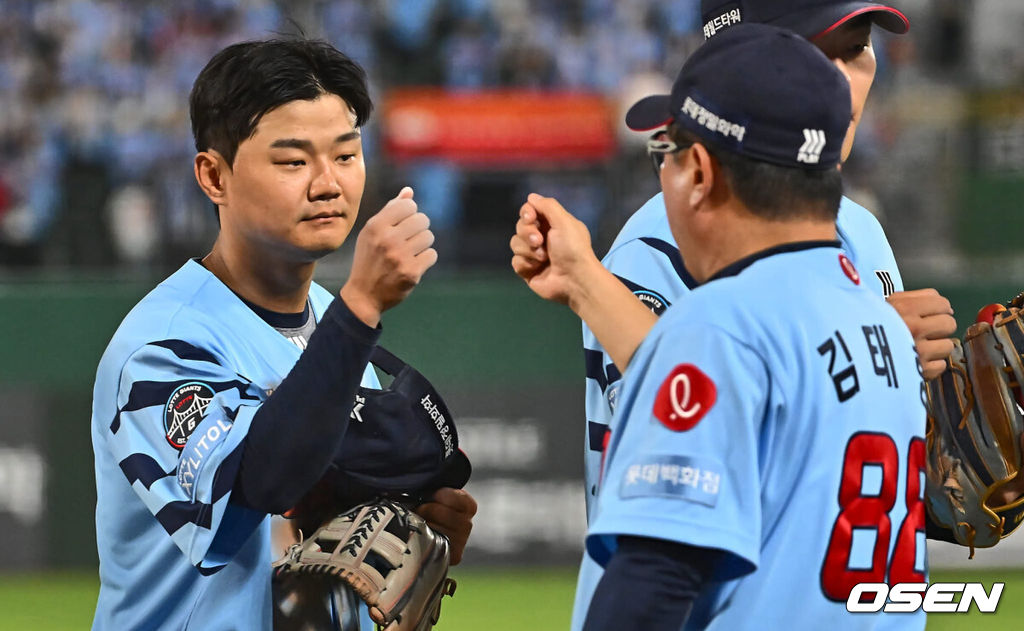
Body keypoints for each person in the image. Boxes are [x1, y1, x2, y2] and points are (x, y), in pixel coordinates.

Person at [510, 2, 967, 628]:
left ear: (697, 168)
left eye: (856, 49)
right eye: (816, 53)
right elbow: (696, 424)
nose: (841, 79)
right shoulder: (657, 247)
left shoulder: (858, 235)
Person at [90, 38, 476, 631]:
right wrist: (362, 305)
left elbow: (323, 526)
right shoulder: (162, 347)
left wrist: (418, 529)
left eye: (346, 156)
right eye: (294, 161)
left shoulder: (330, 315)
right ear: (213, 175)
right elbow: (262, 480)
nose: (328, 184)